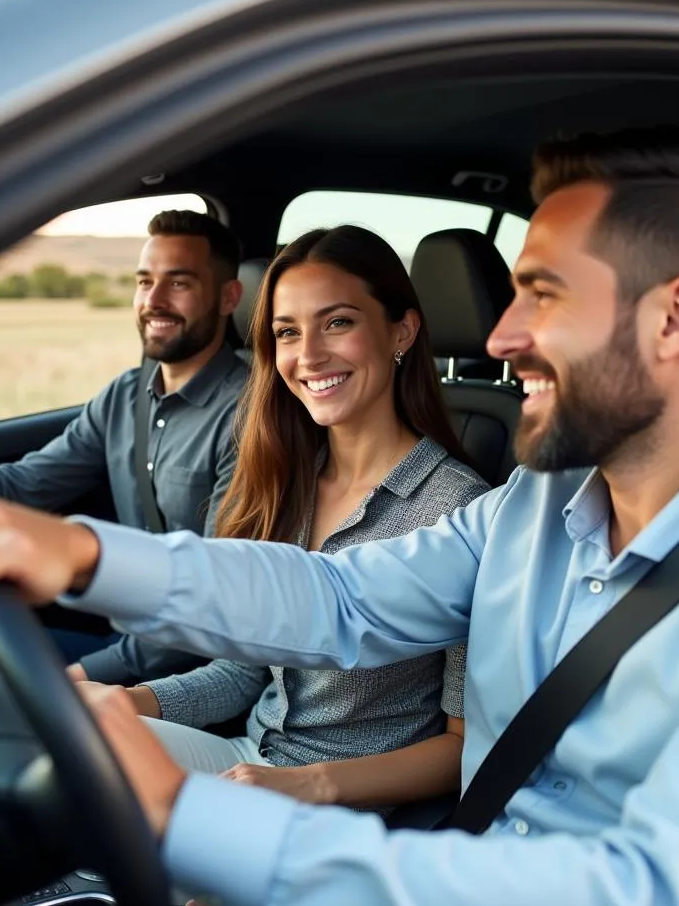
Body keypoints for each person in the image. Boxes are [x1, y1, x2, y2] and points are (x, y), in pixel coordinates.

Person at [0, 135, 679, 906]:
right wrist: (84, 553)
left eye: (540, 294)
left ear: (675, 318)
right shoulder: (536, 504)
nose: (497, 337)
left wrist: (202, 816)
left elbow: (656, 904)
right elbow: (341, 598)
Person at [120, 225, 488, 817]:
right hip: (247, 760)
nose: (308, 355)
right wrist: (130, 700)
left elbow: (464, 747)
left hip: (345, 807)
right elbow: (242, 673)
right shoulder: (282, 480)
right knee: (75, 734)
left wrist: (311, 784)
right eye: (288, 332)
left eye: (337, 322)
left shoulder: (460, 513)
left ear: (402, 330)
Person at [0, 208, 247, 703]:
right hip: (119, 638)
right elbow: (22, 485)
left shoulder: (246, 416)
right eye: (144, 281)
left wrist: (82, 675)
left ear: (228, 297)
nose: (153, 300)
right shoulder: (123, 397)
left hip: (181, 671)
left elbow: (213, 599)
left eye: (179, 283)